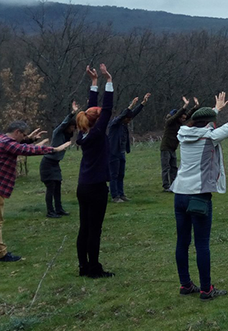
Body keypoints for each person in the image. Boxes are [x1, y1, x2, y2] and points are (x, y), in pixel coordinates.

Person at [171, 87, 228, 300]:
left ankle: (185, 285)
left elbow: (203, 122)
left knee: (182, 242)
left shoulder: (183, 133)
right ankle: (206, 289)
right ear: (210, 122)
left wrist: (216, 109)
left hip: (179, 194)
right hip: (199, 195)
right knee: (202, 244)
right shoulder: (211, 137)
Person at [0, 122, 68, 262]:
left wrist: (30, 139)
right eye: (23, 135)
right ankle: (0, 253)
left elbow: (19, 147)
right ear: (17, 132)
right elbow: (27, 150)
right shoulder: (7, 143)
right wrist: (54, 149)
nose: (24, 137)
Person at [75, 64, 116, 277]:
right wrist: (108, 80)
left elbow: (93, 111)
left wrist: (93, 83)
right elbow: (106, 109)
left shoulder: (83, 133)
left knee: (84, 228)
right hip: (96, 188)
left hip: (83, 187)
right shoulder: (97, 134)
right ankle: (94, 269)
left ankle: (83, 266)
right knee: (94, 230)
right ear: (97, 121)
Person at [107, 93, 150, 202]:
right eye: (128, 119)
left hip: (121, 152)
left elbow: (133, 114)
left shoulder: (124, 124)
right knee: (114, 175)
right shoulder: (114, 124)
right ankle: (115, 196)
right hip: (113, 152)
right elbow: (124, 115)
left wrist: (142, 104)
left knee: (121, 174)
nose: (129, 121)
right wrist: (130, 106)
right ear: (123, 117)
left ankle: (121, 194)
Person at [40, 101, 79, 218]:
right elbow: (64, 123)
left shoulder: (67, 137)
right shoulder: (58, 132)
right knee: (50, 188)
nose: (73, 129)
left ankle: (59, 209)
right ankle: (50, 212)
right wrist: (73, 113)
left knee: (58, 187)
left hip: (55, 164)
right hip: (47, 163)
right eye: (72, 127)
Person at [160, 96, 198, 192]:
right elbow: (178, 115)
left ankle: (174, 185)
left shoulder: (179, 122)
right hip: (166, 147)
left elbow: (187, 116)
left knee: (174, 167)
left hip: (173, 148)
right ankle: (166, 186)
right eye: (182, 117)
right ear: (177, 117)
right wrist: (184, 106)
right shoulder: (170, 122)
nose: (184, 119)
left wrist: (195, 107)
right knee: (166, 167)